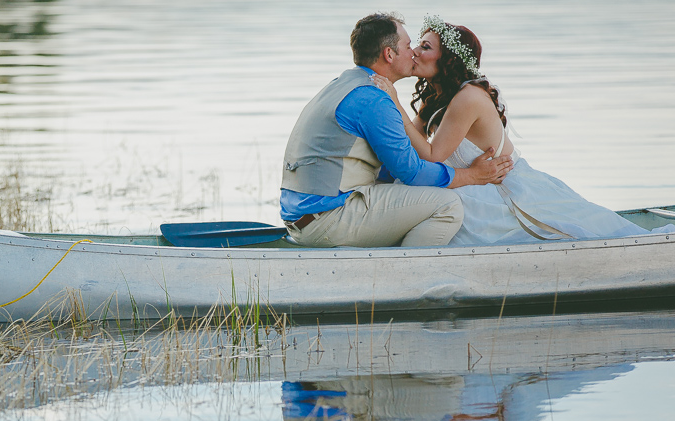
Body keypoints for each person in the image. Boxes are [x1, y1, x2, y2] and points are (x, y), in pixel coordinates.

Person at [371, 15, 674, 245]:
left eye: (424, 47)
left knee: (591, 235)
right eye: (415, 46)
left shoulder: (468, 98)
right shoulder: (438, 97)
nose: (413, 53)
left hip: (507, 192)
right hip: (475, 186)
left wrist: (393, 100)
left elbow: (433, 155)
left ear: (448, 58)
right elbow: (412, 142)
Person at [279, 12, 513, 249]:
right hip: (327, 219)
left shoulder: (344, 84)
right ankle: (404, 277)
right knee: (448, 205)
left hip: (303, 219)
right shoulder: (374, 100)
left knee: (403, 188)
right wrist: (472, 176)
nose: (414, 52)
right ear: (389, 54)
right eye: (409, 45)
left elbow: (392, 168)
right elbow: (414, 172)